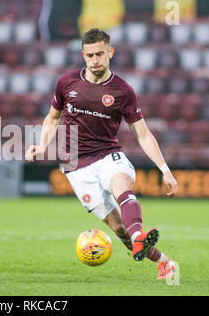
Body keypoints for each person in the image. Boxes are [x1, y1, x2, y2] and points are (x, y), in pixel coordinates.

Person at [25, 28, 178, 279]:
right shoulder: (66, 83)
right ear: (82, 55)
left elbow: (143, 134)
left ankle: (139, 235)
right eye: (89, 55)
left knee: (121, 184)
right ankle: (164, 262)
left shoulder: (123, 91)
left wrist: (165, 169)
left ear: (110, 52)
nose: (95, 60)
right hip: (75, 165)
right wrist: (42, 146)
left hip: (108, 154)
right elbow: (52, 118)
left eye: (100, 54)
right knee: (119, 229)